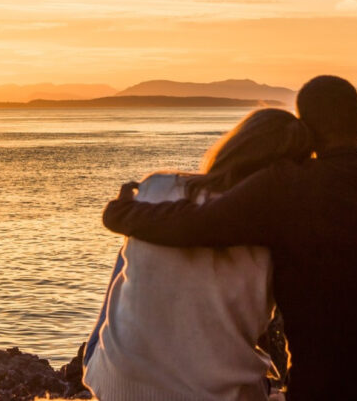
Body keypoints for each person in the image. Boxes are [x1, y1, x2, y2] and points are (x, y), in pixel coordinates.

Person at [103, 76, 357, 401]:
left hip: (327, 391)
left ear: (305, 131)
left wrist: (122, 214)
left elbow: (195, 224)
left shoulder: (287, 188)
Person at [83, 108, 314, 401]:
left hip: (119, 389)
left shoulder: (156, 186)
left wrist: (123, 209)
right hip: (225, 395)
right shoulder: (276, 226)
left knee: (132, 250)